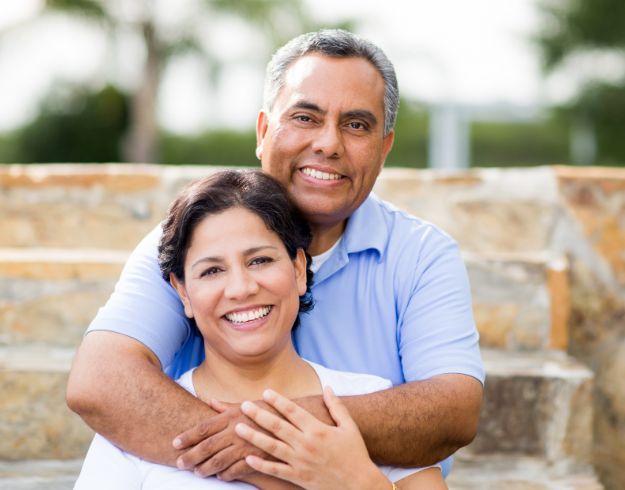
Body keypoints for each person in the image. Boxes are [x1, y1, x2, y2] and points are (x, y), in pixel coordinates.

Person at [67, 29, 484, 482]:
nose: (328, 144)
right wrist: (278, 465)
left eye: (357, 125)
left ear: (384, 148)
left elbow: (453, 410)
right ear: (264, 131)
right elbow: (101, 380)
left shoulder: (422, 255)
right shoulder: (191, 240)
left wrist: (272, 436)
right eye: (305, 117)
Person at [74, 170, 446, 489]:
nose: (241, 288)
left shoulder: (368, 400)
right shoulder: (136, 425)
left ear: (299, 269)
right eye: (212, 270)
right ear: (182, 292)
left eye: (260, 260)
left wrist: (359, 483)